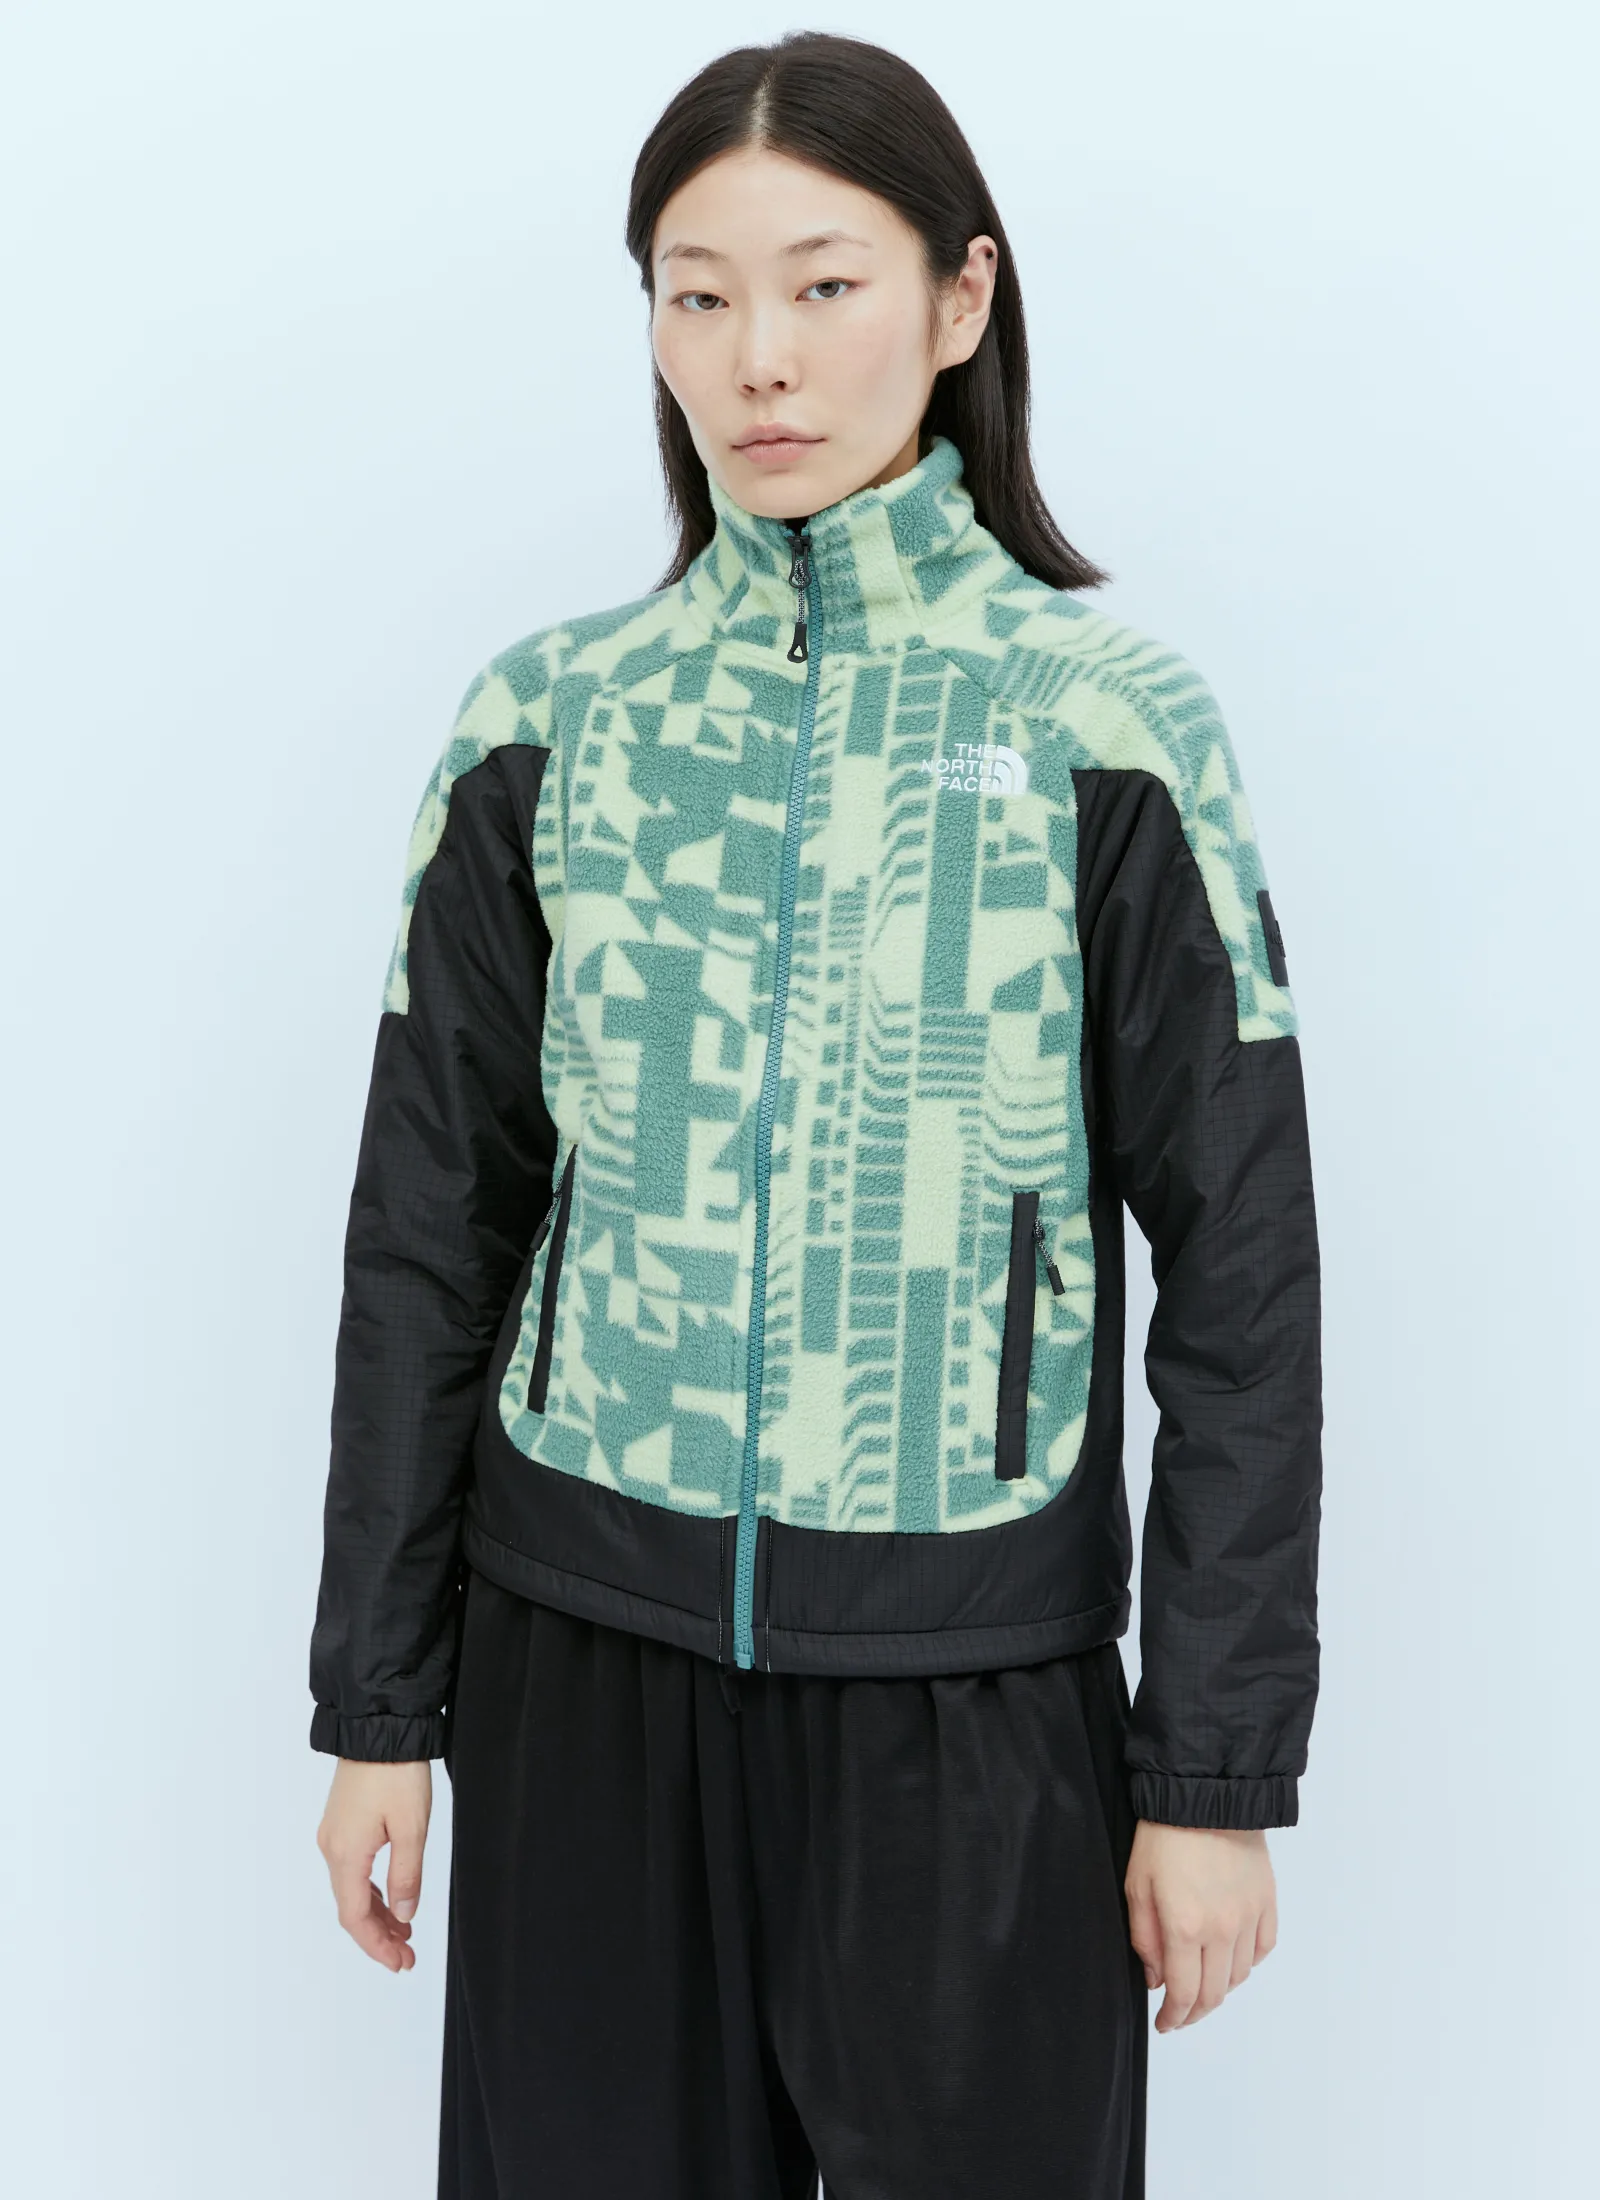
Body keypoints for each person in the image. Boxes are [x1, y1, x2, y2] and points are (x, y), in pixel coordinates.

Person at [308, 29, 1322, 2200]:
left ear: (959, 298)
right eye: (696, 294)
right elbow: (429, 1230)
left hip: (971, 1687)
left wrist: (1212, 1768)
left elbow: (1242, 1277)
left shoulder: (1106, 726)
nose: (756, 356)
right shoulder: (545, 722)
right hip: (578, 1659)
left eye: (823, 283)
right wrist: (381, 1709)